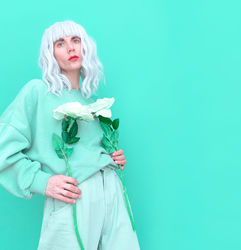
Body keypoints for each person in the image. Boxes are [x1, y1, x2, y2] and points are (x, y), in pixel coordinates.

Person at [0, 20, 140, 250]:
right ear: (50, 54)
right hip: (75, 196)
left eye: (76, 40)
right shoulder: (37, 91)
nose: (71, 48)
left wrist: (112, 157)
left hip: (113, 191)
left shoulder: (93, 102)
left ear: (86, 47)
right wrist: (41, 181)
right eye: (60, 43)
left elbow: (89, 151)